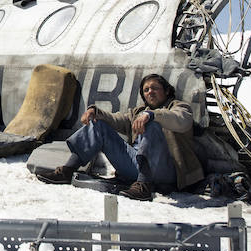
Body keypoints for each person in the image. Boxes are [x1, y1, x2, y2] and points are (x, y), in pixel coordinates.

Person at [33, 73, 204, 200]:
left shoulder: (180, 107)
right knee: (98, 124)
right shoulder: (138, 112)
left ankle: (144, 186)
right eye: (146, 90)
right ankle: (67, 170)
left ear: (167, 91)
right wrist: (95, 112)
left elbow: (180, 121)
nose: (150, 92)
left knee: (152, 124)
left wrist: (152, 116)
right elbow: (116, 119)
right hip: (135, 165)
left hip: (167, 171)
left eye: (155, 88)